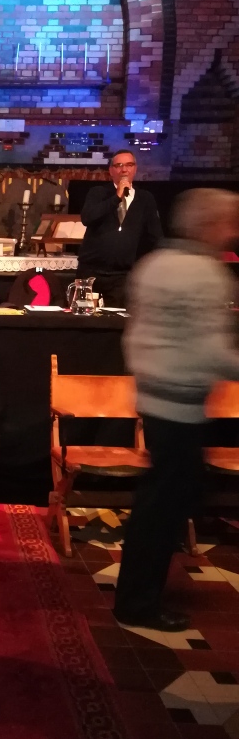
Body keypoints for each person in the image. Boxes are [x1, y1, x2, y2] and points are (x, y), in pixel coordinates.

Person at [113, 189, 239, 632]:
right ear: (208, 225)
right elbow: (211, 352)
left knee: (158, 504)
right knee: (163, 510)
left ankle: (135, 595)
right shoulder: (206, 274)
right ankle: (138, 603)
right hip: (182, 404)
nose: (233, 231)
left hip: (154, 397)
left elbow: (134, 336)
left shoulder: (154, 264)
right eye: (228, 222)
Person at [77, 150, 162, 307]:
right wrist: (116, 197)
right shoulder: (98, 193)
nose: (124, 170)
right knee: (84, 314)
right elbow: (87, 218)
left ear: (135, 169)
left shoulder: (145, 199)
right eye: (119, 165)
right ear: (111, 170)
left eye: (129, 165)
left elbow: (154, 236)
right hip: (91, 272)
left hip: (122, 276)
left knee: (116, 318)